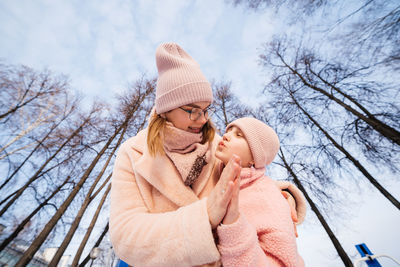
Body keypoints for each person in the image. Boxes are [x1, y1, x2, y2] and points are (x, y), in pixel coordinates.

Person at [109, 42, 306, 267]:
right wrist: (205, 217)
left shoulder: (217, 146)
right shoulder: (133, 153)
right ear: (167, 109)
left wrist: (276, 194)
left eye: (205, 109)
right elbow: (125, 235)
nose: (202, 119)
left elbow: (246, 181)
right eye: (192, 110)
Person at [215, 117, 304, 266]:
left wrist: (233, 229)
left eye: (239, 135)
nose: (226, 135)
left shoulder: (268, 198)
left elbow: (283, 262)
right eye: (228, 130)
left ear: (254, 158)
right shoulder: (214, 177)